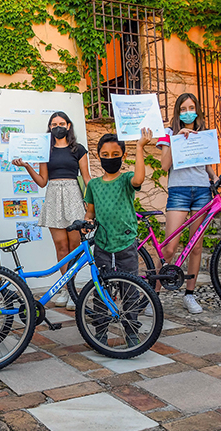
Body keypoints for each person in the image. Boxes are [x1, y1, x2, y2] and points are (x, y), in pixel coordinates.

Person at [12, 111, 90, 310]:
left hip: (73, 195)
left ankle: (73, 292)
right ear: (50, 127)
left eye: (61, 123)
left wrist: (93, 203)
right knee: (61, 247)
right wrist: (28, 166)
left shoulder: (78, 149)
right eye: (54, 123)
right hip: (53, 195)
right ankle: (64, 287)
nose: (58, 126)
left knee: (74, 246)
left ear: (69, 125)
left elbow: (87, 178)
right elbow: (42, 181)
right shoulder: (44, 150)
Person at [83, 129, 152, 346]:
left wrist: (139, 147)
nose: (110, 159)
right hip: (102, 244)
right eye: (105, 155)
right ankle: (100, 332)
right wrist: (87, 223)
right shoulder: (93, 185)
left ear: (122, 156)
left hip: (125, 242)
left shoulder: (126, 179)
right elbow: (90, 212)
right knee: (100, 290)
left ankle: (131, 331)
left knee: (130, 289)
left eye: (115, 155)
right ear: (98, 156)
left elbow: (139, 178)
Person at [156, 93, 219, 314]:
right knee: (169, 248)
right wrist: (176, 140)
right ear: (177, 112)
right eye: (183, 109)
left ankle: (189, 295)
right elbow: (164, 166)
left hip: (202, 191)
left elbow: (206, 165)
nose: (187, 112)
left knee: (196, 246)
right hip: (179, 192)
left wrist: (215, 176)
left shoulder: (203, 134)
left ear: (197, 110)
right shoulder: (168, 133)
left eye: (191, 107)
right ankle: (153, 296)